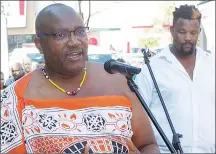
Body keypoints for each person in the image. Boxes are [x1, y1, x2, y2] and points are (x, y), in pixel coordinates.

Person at [0, 3, 159, 153]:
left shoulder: (119, 81)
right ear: (39, 44)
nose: (74, 42)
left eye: (80, 31)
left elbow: (147, 145)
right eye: (60, 35)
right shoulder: (14, 100)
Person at [135, 4, 215, 153]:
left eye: (193, 33)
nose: (188, 38)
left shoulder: (212, 65)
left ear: (199, 32)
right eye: (182, 32)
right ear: (172, 31)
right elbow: (138, 117)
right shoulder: (151, 69)